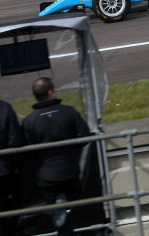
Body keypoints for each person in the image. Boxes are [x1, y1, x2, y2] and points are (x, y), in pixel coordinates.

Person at [21, 78, 90, 236]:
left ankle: (63, 219)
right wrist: (71, 151)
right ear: (51, 92)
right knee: (72, 203)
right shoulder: (69, 111)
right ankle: (66, 220)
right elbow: (84, 136)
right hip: (70, 170)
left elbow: (27, 151)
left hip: (47, 175)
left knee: (57, 210)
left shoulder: (29, 121)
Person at [0, 99, 23, 236]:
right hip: (4, 172)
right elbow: (15, 141)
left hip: (5, 170)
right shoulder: (5, 108)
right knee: (8, 215)